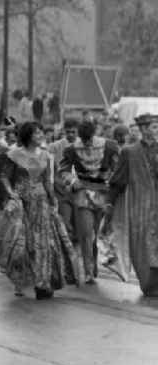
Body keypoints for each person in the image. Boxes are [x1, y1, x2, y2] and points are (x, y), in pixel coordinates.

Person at [0, 122, 78, 299]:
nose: (41, 136)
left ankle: (43, 283)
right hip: (21, 204)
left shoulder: (46, 155)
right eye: (37, 133)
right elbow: (4, 177)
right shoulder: (13, 155)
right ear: (28, 136)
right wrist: (11, 193)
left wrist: (53, 202)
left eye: (41, 133)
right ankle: (20, 281)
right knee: (21, 245)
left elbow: (47, 181)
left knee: (43, 244)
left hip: (42, 203)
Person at [59, 120, 119, 284]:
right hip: (83, 194)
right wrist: (72, 181)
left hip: (104, 195)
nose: (86, 143)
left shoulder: (110, 146)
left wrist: (112, 183)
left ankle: (93, 265)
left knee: (98, 235)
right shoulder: (71, 150)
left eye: (89, 139)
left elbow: (118, 169)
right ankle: (88, 271)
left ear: (94, 134)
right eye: (84, 140)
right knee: (86, 234)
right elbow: (63, 171)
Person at [107, 114, 158, 295]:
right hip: (140, 208)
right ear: (143, 129)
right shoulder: (129, 152)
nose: (157, 130)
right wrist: (109, 205)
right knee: (143, 247)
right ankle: (149, 285)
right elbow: (118, 181)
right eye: (154, 127)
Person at [48, 118, 80, 242]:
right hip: (61, 191)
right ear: (64, 131)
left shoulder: (83, 145)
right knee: (65, 223)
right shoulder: (55, 147)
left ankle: (77, 255)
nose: (71, 134)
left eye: (73, 132)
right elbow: (50, 170)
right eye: (68, 132)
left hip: (79, 191)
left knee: (79, 225)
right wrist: (51, 188)